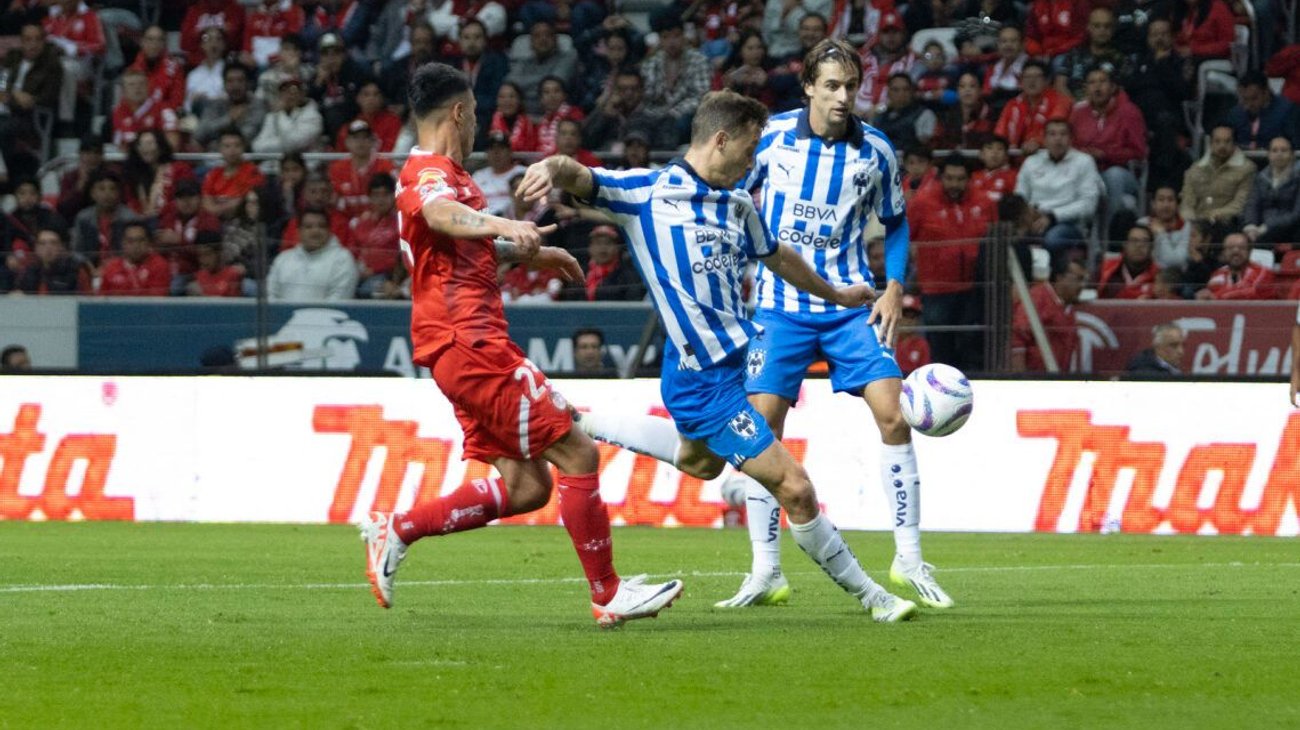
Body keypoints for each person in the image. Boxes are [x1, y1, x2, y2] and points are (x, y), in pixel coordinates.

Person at [519, 86, 919, 622]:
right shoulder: (648, 194)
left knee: (699, 462)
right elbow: (581, 175)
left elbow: (779, 257)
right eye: (750, 150)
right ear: (721, 140)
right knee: (795, 487)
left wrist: (837, 294)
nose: (755, 162)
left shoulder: (738, 203)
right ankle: (877, 597)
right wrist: (551, 165)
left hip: (739, 360)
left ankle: (581, 420)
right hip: (701, 378)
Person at [358, 62, 684, 628]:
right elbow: (439, 213)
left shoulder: (450, 177)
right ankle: (607, 594)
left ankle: (399, 529)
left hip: (458, 345)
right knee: (578, 453)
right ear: (459, 112)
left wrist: (533, 252)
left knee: (527, 486)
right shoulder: (429, 173)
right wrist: (507, 227)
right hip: (470, 341)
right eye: (477, 113)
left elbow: (458, 244)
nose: (479, 122)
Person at [910, 156, 992, 370]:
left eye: (960, 179)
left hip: (974, 287)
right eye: (950, 178)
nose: (955, 184)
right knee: (939, 345)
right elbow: (905, 237)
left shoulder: (984, 202)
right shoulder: (922, 203)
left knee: (971, 344)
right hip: (936, 288)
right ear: (940, 178)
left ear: (969, 179)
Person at [1013, 119, 1103, 255]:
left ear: (1071, 139)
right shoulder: (1032, 161)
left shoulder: (1084, 162)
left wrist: (1053, 216)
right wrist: (1026, 215)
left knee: (1052, 240)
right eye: (1052, 134)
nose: (1058, 139)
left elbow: (1088, 205)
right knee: (1008, 238)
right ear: (1044, 139)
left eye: (1063, 134)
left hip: (1068, 223)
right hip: (1033, 219)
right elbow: (1019, 196)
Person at [1011, 255, 1086, 372]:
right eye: (1078, 279)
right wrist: (1020, 379)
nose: (1082, 286)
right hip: (1034, 381)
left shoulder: (1069, 308)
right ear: (1060, 277)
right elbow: (1017, 338)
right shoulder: (1037, 299)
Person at [266, 207, 358, 301]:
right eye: (308, 227)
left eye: (321, 226)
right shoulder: (283, 259)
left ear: (329, 230)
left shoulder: (342, 259)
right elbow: (270, 295)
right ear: (299, 231)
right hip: (282, 315)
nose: (315, 231)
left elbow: (339, 300)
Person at [1179, 125, 1254, 234]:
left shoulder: (1247, 169)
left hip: (1226, 225)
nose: (1222, 146)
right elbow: (1187, 201)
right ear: (1211, 143)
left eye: (1227, 141)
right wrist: (1190, 221)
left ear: (1234, 144)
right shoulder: (1196, 168)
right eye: (1217, 141)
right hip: (1195, 225)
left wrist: (1210, 217)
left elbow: (1240, 204)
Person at [994, 60, 1071, 156]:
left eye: (1037, 77)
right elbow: (1000, 134)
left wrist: (1037, 142)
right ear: (1021, 82)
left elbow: (1056, 130)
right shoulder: (1012, 105)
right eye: (1027, 77)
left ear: (1047, 81)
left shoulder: (1060, 102)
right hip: (1014, 160)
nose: (1032, 81)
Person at [194, 63, 267, 151]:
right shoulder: (216, 104)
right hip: (214, 159)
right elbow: (200, 133)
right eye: (230, 81)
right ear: (224, 84)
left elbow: (246, 136)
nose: (235, 86)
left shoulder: (257, 105)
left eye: (240, 81)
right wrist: (229, 119)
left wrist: (213, 143)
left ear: (248, 83)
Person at [1243, 136, 1300, 248]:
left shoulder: (1298, 177)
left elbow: (1296, 214)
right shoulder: (1261, 177)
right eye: (1274, 150)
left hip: (1291, 229)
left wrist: (1267, 227)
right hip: (1260, 229)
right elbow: (1252, 204)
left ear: (1292, 154)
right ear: (1268, 154)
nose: (1279, 154)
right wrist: (1250, 225)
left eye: (1284, 150)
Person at [1225, 72, 1300, 152]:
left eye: (1254, 98)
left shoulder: (1288, 111)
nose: (1249, 105)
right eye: (1244, 99)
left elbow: (1295, 146)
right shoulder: (1235, 113)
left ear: (1266, 93)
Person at [203, 128, 266, 220]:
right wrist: (223, 207)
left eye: (237, 145)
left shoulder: (252, 172)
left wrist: (218, 208)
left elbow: (245, 201)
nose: (232, 150)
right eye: (227, 146)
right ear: (220, 149)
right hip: (215, 222)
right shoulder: (213, 174)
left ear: (243, 148)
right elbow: (206, 203)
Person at [1196, 232, 1275, 300]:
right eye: (1230, 248)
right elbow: (1210, 295)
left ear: (1249, 251)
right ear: (1223, 253)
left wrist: (1216, 297)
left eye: (1241, 248)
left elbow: (1250, 292)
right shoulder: (1218, 274)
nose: (1236, 251)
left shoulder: (1263, 272)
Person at [98, 222, 170, 296]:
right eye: (130, 241)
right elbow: (101, 299)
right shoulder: (112, 267)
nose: (136, 245)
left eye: (141, 240)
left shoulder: (159, 265)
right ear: (123, 243)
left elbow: (156, 301)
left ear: (149, 243)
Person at [471, 131, 525, 216]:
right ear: (487, 153)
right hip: (484, 222)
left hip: (512, 221)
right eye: (492, 149)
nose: (496, 153)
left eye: (501, 148)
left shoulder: (523, 173)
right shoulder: (478, 176)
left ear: (510, 152)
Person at [1098, 224, 1159, 298]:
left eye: (1145, 241)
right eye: (1134, 240)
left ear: (1152, 247)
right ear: (1125, 245)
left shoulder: (1158, 276)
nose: (1139, 245)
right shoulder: (1106, 269)